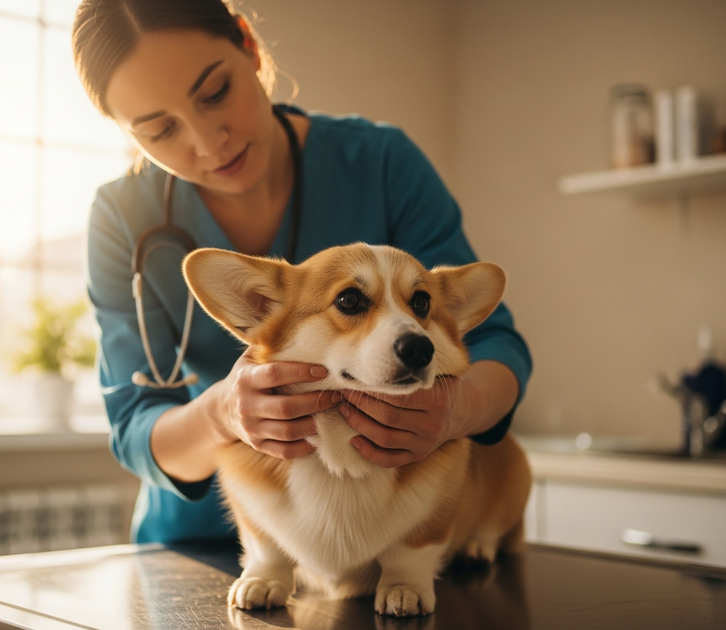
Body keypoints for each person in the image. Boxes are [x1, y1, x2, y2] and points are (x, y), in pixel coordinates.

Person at [73, 0, 532, 544]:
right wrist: (224, 414)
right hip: (197, 545)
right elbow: (134, 427)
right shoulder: (121, 217)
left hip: (381, 541)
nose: (207, 142)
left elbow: (494, 340)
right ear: (125, 130)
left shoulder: (379, 162)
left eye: (216, 93)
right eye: (158, 129)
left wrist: (456, 411)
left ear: (248, 44)